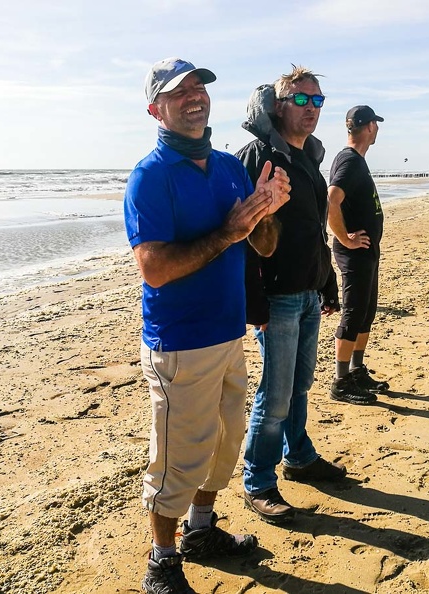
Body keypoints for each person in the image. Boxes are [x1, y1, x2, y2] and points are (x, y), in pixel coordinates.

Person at [124, 57, 291, 594]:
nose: (194, 96)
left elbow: (261, 247)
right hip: (180, 342)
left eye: (199, 87)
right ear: (156, 109)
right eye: (179, 92)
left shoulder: (227, 167)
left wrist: (264, 213)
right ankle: (162, 562)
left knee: (225, 442)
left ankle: (201, 531)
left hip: (228, 334)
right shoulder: (150, 177)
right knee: (176, 456)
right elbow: (155, 269)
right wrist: (227, 231)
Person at [236, 66, 343, 525]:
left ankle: (298, 454)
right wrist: (253, 301)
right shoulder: (257, 155)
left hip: (307, 292)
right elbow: (240, 234)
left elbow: (312, 229)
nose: (311, 110)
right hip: (276, 298)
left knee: (300, 386)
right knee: (275, 394)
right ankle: (258, 481)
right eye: (301, 100)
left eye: (318, 101)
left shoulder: (307, 159)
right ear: (279, 105)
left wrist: (328, 280)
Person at [326, 105, 390, 405]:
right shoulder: (350, 161)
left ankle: (357, 369)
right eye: (375, 124)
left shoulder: (356, 160)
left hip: (367, 251)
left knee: (366, 311)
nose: (377, 129)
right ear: (369, 128)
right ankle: (340, 381)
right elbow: (331, 201)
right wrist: (345, 238)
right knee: (353, 313)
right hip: (355, 253)